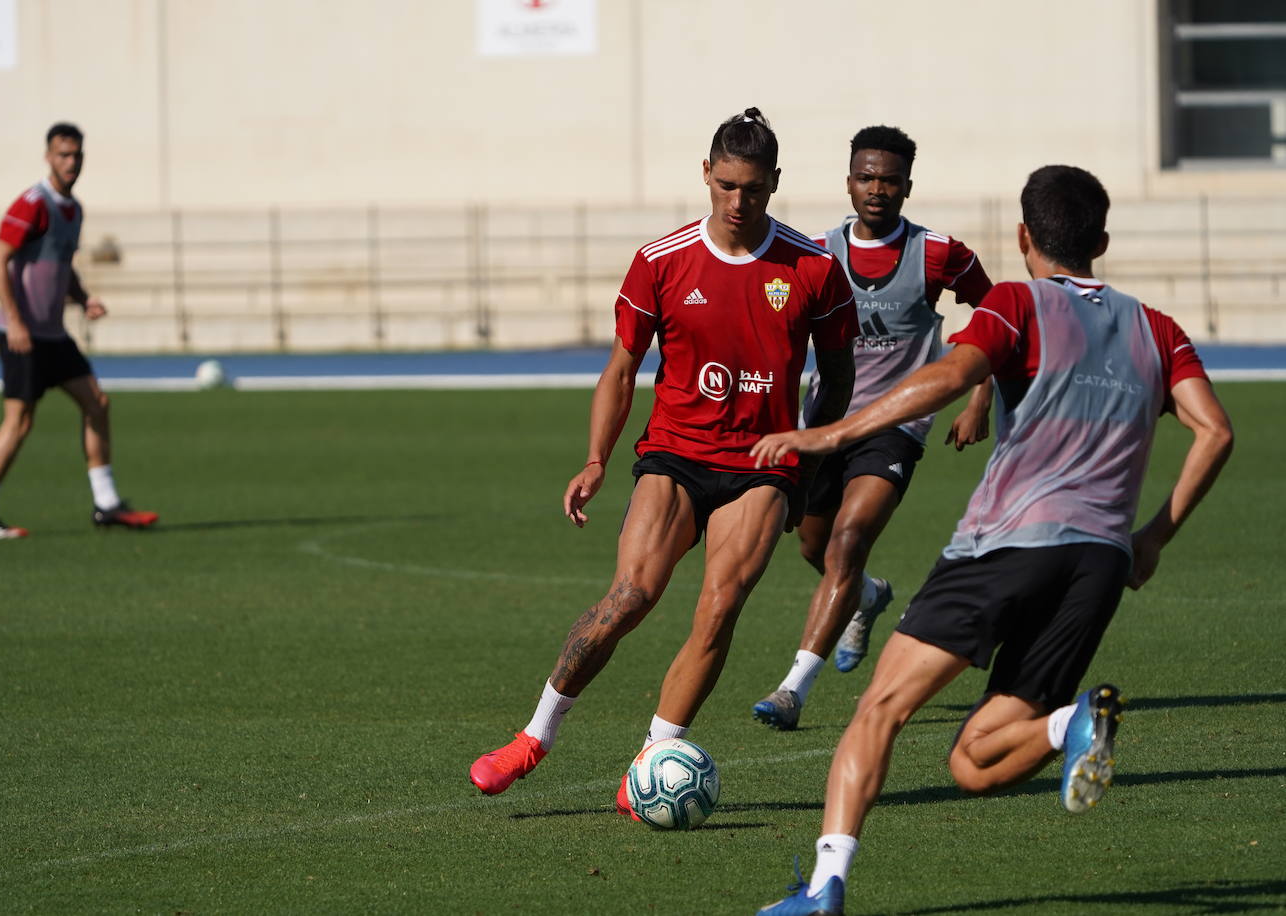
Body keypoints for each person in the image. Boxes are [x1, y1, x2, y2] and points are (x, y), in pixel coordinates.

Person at [752, 165, 1233, 915]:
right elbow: (1215, 431)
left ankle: (823, 889)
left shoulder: (1018, 302)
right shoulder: (1157, 328)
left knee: (879, 709)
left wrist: (831, 434)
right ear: (1102, 241)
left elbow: (951, 375)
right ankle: (1070, 723)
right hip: (1099, 564)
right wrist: (1153, 537)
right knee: (974, 763)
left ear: (1023, 236)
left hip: (1007, 546)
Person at [469, 108, 859, 816]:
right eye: (727, 185)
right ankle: (534, 737)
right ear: (706, 174)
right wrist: (595, 460)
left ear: (775, 183)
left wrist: (806, 461)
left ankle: (652, 760)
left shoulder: (813, 267)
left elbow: (837, 378)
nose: (738, 202)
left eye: (754, 189)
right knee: (630, 596)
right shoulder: (661, 260)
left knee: (719, 608)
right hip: (675, 455)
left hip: (762, 465)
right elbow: (621, 370)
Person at [752, 126, 995, 732]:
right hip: (824, 421)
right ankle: (865, 596)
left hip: (896, 425)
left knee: (847, 540)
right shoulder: (814, 253)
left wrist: (979, 397)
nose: (877, 189)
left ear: (908, 186)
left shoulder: (938, 253)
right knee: (812, 546)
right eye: (866, 177)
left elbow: (994, 315)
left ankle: (792, 690)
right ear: (849, 182)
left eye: (889, 179)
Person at [0, 122, 158, 539]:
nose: (70, 162)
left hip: (52, 334)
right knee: (19, 422)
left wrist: (83, 299)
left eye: (76, 155)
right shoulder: (32, 204)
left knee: (97, 403)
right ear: (48, 157)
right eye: (63, 155)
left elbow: (62, 267)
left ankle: (106, 504)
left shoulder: (75, 210)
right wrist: (15, 320)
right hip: (22, 334)